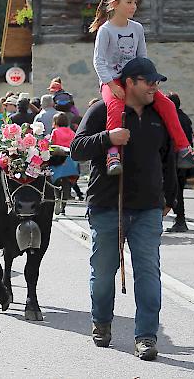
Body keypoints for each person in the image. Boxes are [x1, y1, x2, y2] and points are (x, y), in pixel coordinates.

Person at [70, 57, 177, 361]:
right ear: (129, 83)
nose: (155, 87)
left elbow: (168, 159)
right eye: (149, 82)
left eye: (157, 82)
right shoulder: (103, 110)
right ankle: (102, 321)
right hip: (107, 205)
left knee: (148, 272)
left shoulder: (160, 114)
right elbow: (77, 149)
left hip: (147, 208)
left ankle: (146, 336)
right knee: (104, 273)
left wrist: (170, 198)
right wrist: (108, 138)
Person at [90, 0, 194, 175]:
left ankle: (184, 150)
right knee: (115, 107)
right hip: (111, 80)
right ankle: (113, 154)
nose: (133, 7)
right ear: (114, 4)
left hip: (136, 79)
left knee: (168, 105)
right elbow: (99, 61)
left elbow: (142, 58)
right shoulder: (105, 30)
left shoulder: (137, 28)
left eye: (135, 2)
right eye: (129, 2)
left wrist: (146, 82)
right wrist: (112, 85)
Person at [165, 92, 194, 233]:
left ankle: (180, 220)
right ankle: (180, 219)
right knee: (178, 190)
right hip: (183, 160)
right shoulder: (185, 118)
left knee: (174, 190)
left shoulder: (173, 118)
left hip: (175, 160)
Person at [50, 112, 83, 215]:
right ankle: (63, 205)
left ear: (55, 122)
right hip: (69, 160)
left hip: (57, 160)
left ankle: (57, 199)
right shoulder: (71, 132)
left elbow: (51, 144)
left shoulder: (55, 131)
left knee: (55, 183)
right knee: (67, 184)